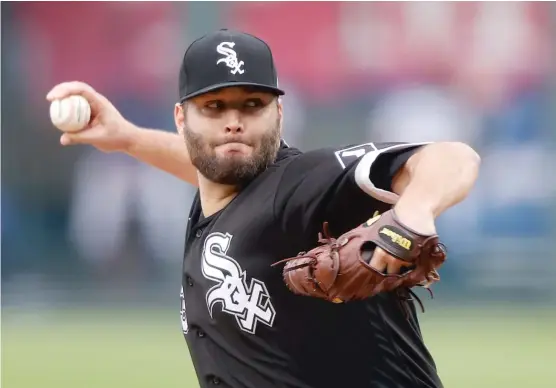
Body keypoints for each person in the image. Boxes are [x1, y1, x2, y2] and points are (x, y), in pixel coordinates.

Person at [47, 29, 480, 388]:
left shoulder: (301, 187)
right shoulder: (224, 186)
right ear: (181, 118)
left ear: (279, 113)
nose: (233, 121)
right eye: (213, 107)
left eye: (252, 105)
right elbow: (205, 163)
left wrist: (412, 216)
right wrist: (126, 137)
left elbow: (451, 157)